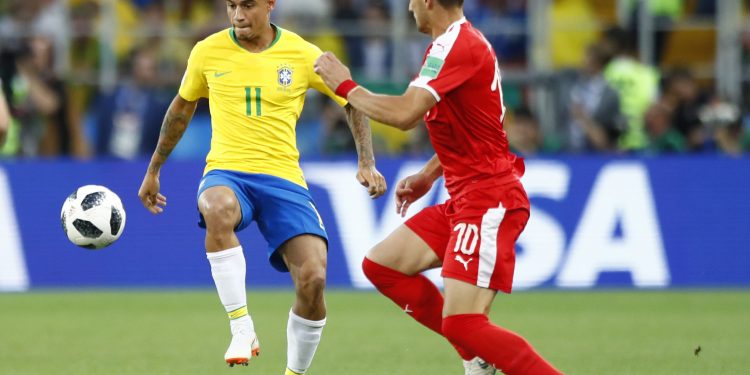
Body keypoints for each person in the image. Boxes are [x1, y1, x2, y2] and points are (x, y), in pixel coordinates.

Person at [137, 1, 387, 374]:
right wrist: (154, 168)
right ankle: (241, 328)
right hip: (228, 172)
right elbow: (180, 109)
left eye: (248, 5)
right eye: (232, 5)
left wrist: (366, 161)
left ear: (270, 5)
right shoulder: (206, 51)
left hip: (284, 178)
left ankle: (293, 373)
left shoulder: (303, 53)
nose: (238, 15)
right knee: (215, 205)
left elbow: (351, 99)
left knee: (314, 279)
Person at [314, 0, 562, 374]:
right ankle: (474, 353)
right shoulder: (458, 42)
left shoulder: (456, 45)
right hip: (466, 197)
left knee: (463, 322)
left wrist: (346, 87)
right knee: (383, 266)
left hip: (488, 199)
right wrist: (430, 174)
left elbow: (403, 115)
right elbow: (477, 126)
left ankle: (479, 350)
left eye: (412, 0)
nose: (410, 7)